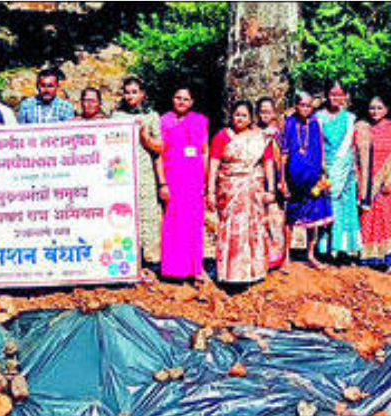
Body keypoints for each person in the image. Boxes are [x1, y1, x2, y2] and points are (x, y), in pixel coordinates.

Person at [207, 101, 275, 285]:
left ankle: (254, 271)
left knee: (253, 228)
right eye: (237, 114)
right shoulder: (222, 136)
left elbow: (268, 162)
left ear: (251, 118)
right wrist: (210, 190)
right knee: (232, 229)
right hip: (229, 189)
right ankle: (230, 273)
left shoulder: (260, 138)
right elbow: (214, 162)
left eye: (244, 115)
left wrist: (271, 189)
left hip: (253, 189)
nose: (239, 118)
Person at [111, 77, 165, 275]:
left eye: (134, 92)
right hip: (121, 174)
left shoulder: (151, 116)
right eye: (127, 92)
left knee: (147, 216)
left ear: (142, 94)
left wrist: (144, 137)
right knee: (123, 214)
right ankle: (127, 260)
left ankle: (149, 262)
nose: (130, 96)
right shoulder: (116, 117)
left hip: (145, 172)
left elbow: (159, 147)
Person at [158, 88, 209, 281]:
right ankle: (174, 269)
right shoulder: (164, 121)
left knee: (194, 223)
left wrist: (205, 180)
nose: (181, 102)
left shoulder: (200, 120)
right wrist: (162, 183)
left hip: (194, 180)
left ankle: (195, 268)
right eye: (178, 98)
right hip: (173, 179)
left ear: (192, 102)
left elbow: (204, 151)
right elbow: (159, 153)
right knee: (174, 223)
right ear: (172, 99)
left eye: (186, 99)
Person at [281, 92, 332, 268]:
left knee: (314, 217)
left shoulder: (315, 123)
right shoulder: (289, 123)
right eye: (302, 105)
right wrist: (283, 180)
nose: (305, 108)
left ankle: (310, 255)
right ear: (296, 106)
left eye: (308, 105)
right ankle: (286, 256)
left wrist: (323, 174)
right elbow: (284, 154)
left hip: (313, 179)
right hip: (294, 181)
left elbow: (321, 149)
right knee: (290, 218)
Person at [357, 96, 391, 269]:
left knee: (385, 219)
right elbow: (353, 156)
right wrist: (358, 181)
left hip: (385, 183)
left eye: (379, 108)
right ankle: (366, 256)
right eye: (372, 108)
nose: (375, 111)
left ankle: (385, 257)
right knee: (366, 219)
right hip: (365, 184)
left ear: (386, 110)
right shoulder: (361, 128)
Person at [317, 82, 364, 257]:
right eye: (332, 94)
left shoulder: (350, 118)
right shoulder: (319, 117)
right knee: (329, 205)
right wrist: (323, 168)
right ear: (326, 96)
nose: (336, 98)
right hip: (326, 168)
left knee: (346, 206)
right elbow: (318, 144)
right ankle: (327, 248)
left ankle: (344, 248)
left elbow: (350, 145)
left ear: (345, 96)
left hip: (346, 169)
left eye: (339, 94)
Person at [256, 96, 287, 269]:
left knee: (276, 219)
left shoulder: (279, 134)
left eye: (268, 111)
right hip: (257, 180)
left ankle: (277, 258)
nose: (265, 115)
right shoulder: (253, 132)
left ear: (274, 113)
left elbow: (284, 158)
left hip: (276, 179)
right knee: (260, 220)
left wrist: (282, 180)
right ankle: (261, 256)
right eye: (262, 112)